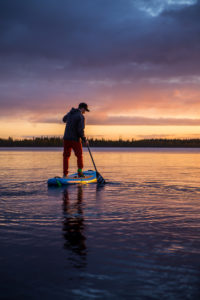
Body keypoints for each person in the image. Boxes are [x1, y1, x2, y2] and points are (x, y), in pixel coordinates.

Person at [63, 102, 90, 178]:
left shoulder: (70, 113)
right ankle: (80, 173)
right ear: (82, 108)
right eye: (85, 110)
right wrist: (85, 140)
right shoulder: (81, 116)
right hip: (75, 139)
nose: (85, 112)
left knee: (66, 156)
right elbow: (80, 130)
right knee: (79, 156)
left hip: (66, 138)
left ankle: (65, 174)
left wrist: (70, 118)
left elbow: (63, 119)